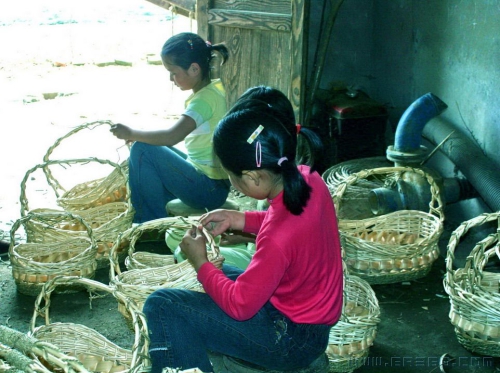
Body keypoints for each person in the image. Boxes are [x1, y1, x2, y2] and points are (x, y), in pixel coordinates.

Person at [143, 92, 344, 372]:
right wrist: (239, 219)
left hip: (288, 341)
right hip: (308, 325)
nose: (233, 184)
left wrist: (199, 261)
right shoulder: (309, 179)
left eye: (231, 177)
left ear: (252, 177)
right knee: (221, 277)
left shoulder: (277, 239)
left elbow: (241, 306)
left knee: (162, 305)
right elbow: (292, 226)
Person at [110, 32, 231, 223]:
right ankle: (156, 212)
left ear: (194, 69)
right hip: (215, 184)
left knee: (143, 150)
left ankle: (146, 224)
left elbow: (172, 136)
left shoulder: (204, 101)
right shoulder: (214, 89)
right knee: (151, 150)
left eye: (174, 73)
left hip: (208, 190)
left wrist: (132, 133)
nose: (171, 79)